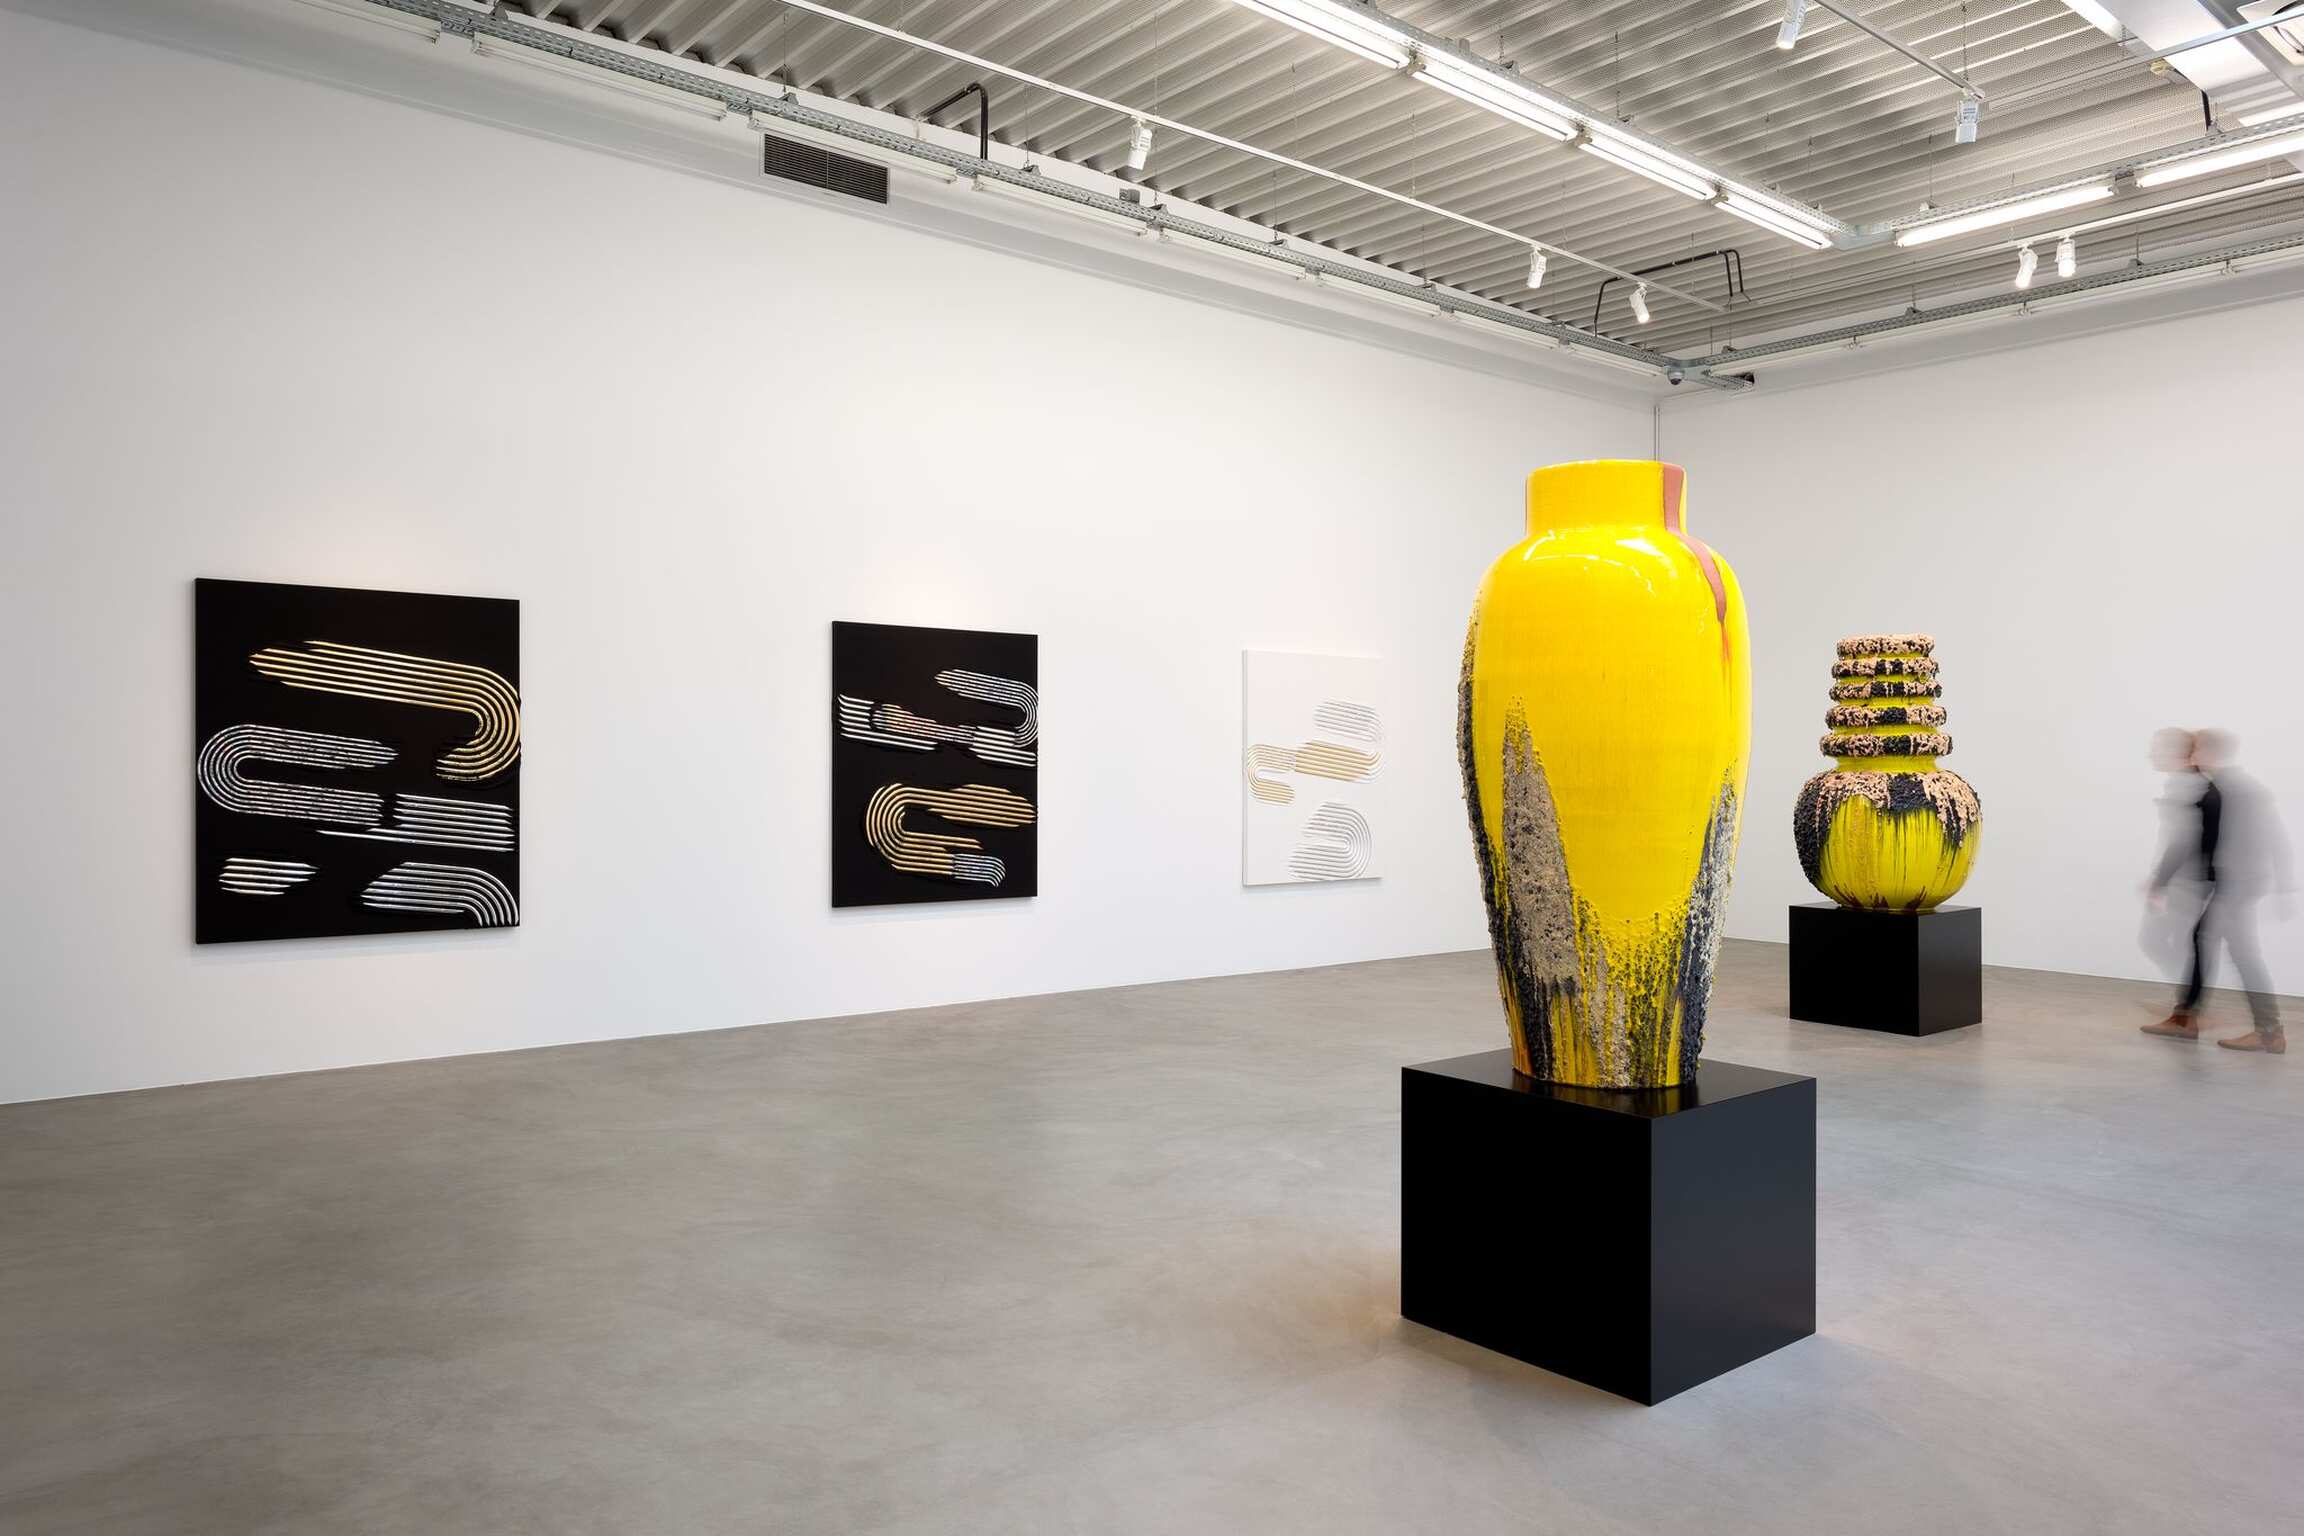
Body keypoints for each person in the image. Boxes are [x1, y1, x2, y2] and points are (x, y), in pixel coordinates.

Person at [2141, 729, 2290, 1053]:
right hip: (2233, 885)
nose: (2191, 756)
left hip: (2236, 886)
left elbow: (2272, 839)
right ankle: (2198, 1019)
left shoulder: (2232, 790)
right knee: (2229, 949)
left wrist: (2282, 887)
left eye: (2195, 750)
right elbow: (2198, 839)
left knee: (2220, 946)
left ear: (2207, 753)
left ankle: (2259, 1028)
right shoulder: (2220, 788)